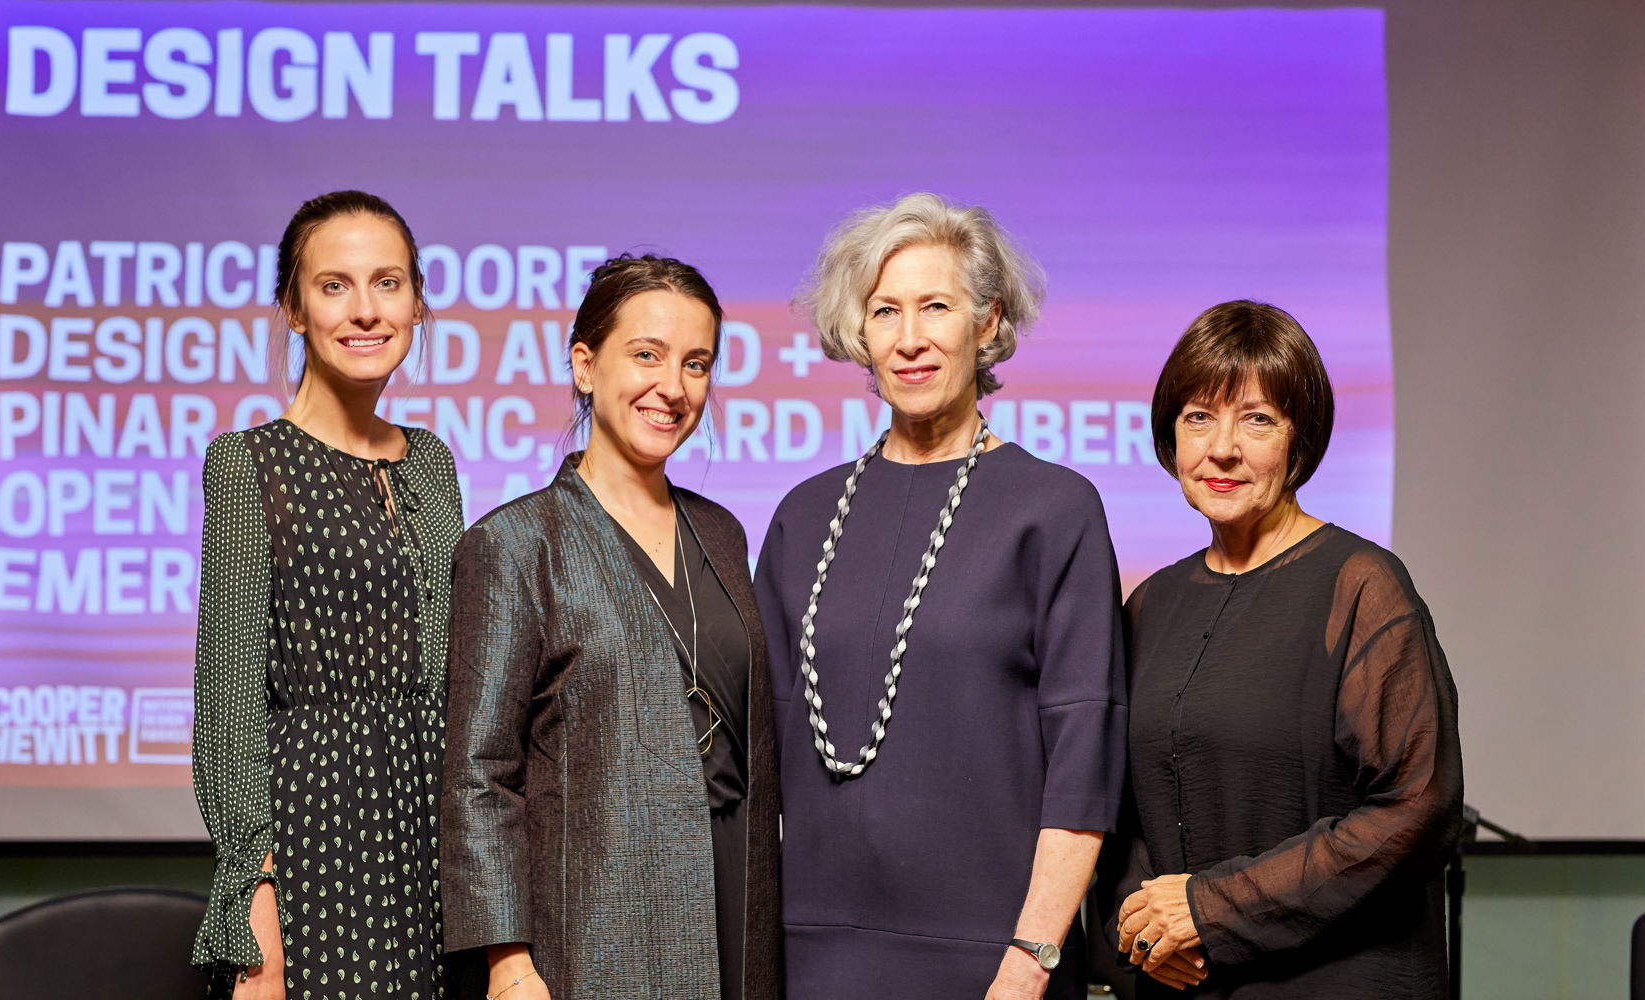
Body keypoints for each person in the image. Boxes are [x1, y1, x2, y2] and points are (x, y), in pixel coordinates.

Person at [754, 193, 1126, 1000]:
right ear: (860, 332)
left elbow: (1084, 759)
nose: (910, 338)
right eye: (885, 311)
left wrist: (1030, 962)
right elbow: (763, 755)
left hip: (998, 960)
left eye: (936, 307)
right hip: (815, 956)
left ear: (988, 323)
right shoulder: (803, 516)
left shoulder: (1053, 510)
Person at [441, 254, 783, 1000]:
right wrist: (509, 963)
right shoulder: (516, 542)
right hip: (595, 919)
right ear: (585, 365)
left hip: (737, 893)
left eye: (697, 363)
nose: (674, 387)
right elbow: (479, 774)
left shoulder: (721, 532)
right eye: (647, 355)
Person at [1103, 300, 1464, 997]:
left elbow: (1418, 810)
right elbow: (1126, 818)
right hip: (1185, 982)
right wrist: (1143, 923)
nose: (1223, 448)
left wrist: (1208, 911)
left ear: (1300, 440)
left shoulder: (1362, 588)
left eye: (1257, 419)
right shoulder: (1151, 605)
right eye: (1198, 417)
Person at [190, 191, 466, 999]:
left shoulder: (432, 463)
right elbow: (228, 697)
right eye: (334, 285)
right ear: (295, 309)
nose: (366, 310)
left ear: (417, 302)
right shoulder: (246, 465)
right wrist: (256, 909)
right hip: (316, 841)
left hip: (431, 836)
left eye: (387, 283)